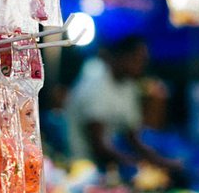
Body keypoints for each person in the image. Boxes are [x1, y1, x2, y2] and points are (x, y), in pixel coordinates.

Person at [64, 35, 182, 175]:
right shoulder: (95, 82)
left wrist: (159, 161)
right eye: (138, 60)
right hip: (82, 168)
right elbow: (99, 147)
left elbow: (132, 136)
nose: (142, 66)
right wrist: (138, 165)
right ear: (123, 57)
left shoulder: (128, 85)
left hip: (106, 167)